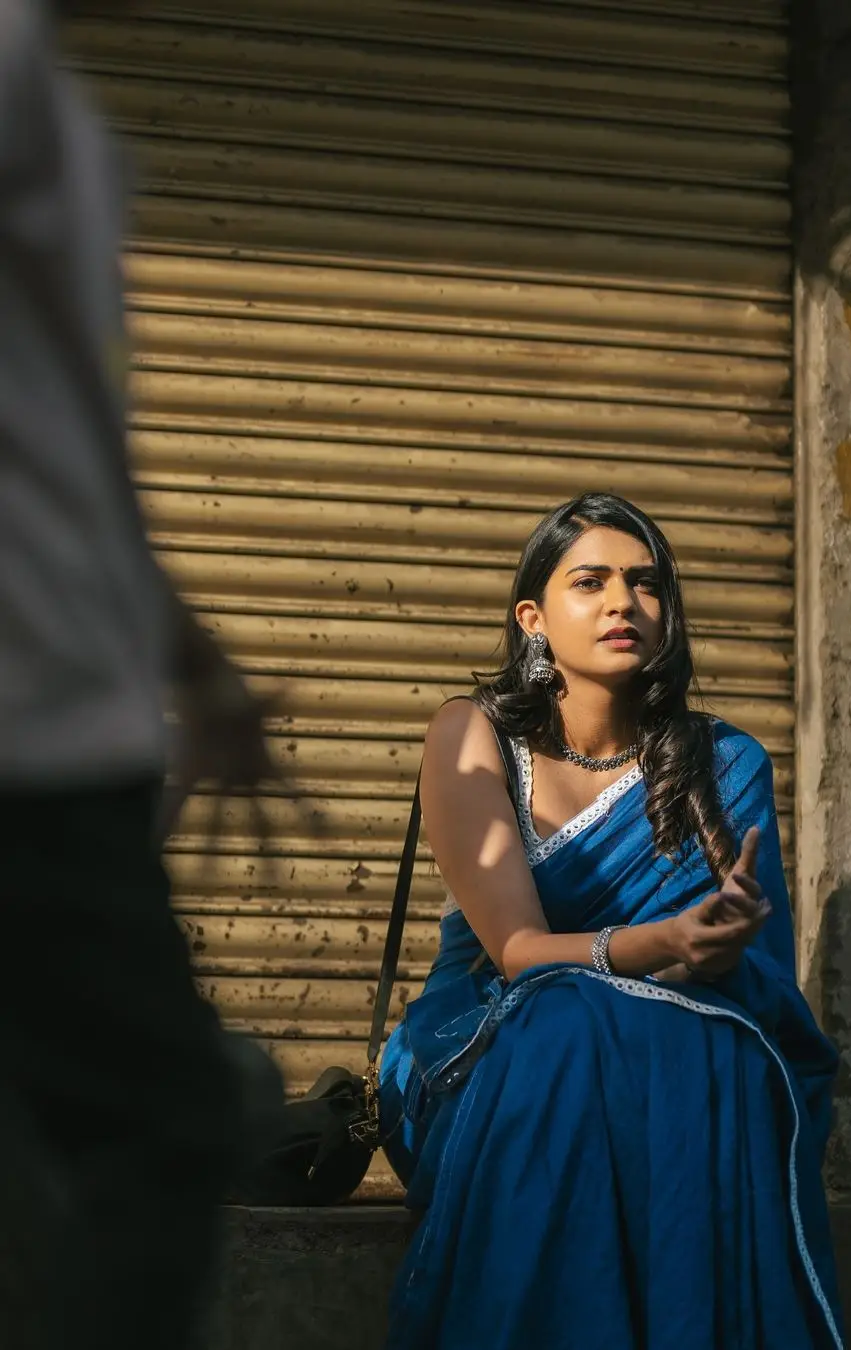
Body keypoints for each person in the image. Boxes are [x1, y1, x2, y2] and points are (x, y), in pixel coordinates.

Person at [379, 493, 845, 1349]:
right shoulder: (470, 734)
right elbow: (519, 954)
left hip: (657, 1047)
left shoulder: (724, 763)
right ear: (534, 617)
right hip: (483, 1049)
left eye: (645, 584)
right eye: (589, 582)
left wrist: (715, 945)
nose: (623, 603)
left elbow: (755, 988)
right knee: (563, 1024)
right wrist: (661, 943)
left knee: (720, 1051)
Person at [0, 2, 283, 1347]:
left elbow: (70, 432)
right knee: (171, 1121)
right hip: (28, 727)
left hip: (69, 714)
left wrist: (192, 660)